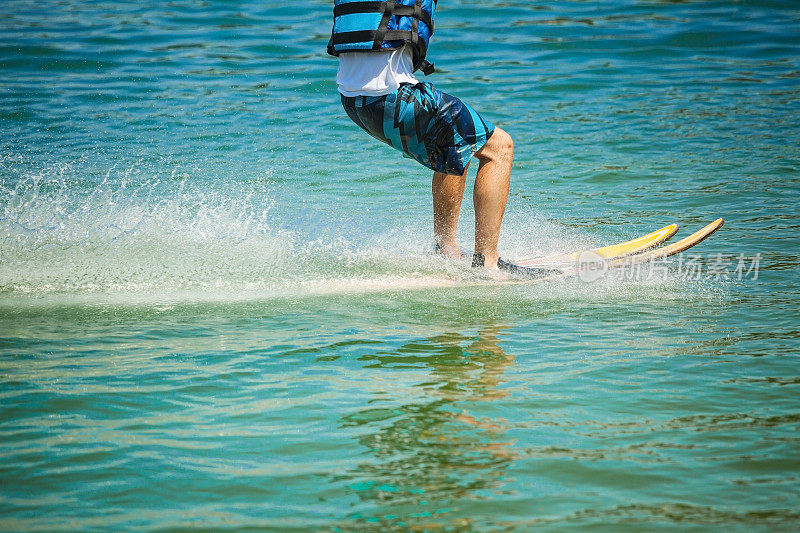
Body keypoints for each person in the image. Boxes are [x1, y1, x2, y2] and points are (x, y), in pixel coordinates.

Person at [328, 0, 514, 271]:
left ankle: (446, 249)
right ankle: (489, 263)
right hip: (390, 96)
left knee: (456, 142)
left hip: (353, 100)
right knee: (500, 148)